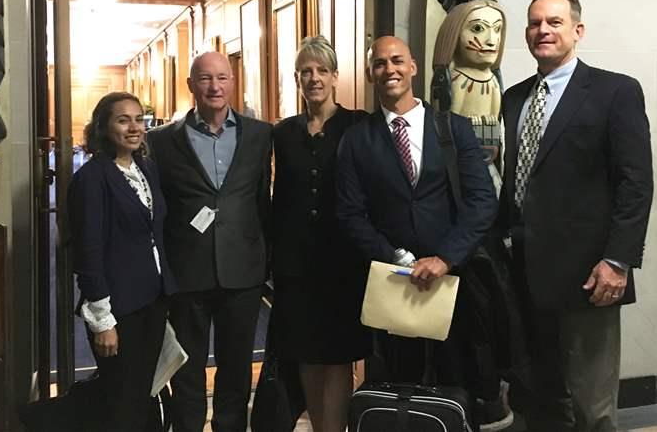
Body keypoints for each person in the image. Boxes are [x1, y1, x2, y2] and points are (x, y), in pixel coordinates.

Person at [498, 0, 653, 431]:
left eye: (554, 22)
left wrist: (617, 261)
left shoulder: (614, 92)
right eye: (534, 23)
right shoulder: (514, 98)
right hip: (525, 275)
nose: (542, 30)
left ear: (577, 31)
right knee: (540, 399)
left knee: (592, 405)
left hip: (590, 276)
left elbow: (636, 184)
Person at [336, 36, 499, 419]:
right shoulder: (358, 139)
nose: (389, 69)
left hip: (452, 281)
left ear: (413, 66)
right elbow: (350, 214)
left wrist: (444, 257)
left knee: (458, 383)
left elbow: (482, 201)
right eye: (379, 63)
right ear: (370, 74)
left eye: (396, 61)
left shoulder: (453, 129)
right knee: (400, 390)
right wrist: (394, 256)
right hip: (393, 284)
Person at [147, 51, 272, 432]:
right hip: (187, 272)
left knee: (236, 369)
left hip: (243, 270)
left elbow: (262, 201)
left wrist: (268, 261)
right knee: (187, 370)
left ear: (233, 82)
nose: (214, 87)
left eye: (222, 78)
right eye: (204, 78)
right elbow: (159, 209)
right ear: (190, 85)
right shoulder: (162, 140)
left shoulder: (260, 134)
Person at [270, 36, 369, 432]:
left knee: (339, 356)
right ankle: (318, 425)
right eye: (306, 72)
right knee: (306, 354)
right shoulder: (283, 132)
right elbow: (278, 196)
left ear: (335, 77)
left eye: (322, 71)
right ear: (297, 79)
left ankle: (334, 428)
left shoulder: (358, 124)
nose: (314, 78)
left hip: (343, 260)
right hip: (296, 264)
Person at [69, 92, 178, 431]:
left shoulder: (145, 168)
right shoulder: (92, 178)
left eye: (139, 119)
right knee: (121, 402)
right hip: (118, 309)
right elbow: (88, 252)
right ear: (103, 127)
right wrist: (103, 321)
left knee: (143, 393)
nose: (135, 127)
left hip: (152, 300)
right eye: (123, 120)